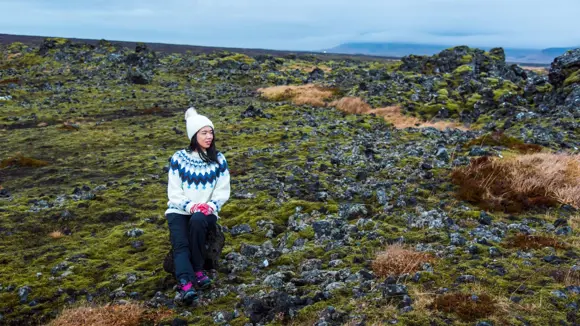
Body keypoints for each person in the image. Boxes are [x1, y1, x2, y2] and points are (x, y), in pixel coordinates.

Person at [164, 107, 230, 304]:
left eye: (211, 132)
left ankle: (199, 270)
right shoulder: (178, 159)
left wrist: (210, 205)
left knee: (199, 221)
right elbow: (174, 192)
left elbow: (222, 190)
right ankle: (186, 283)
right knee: (180, 243)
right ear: (194, 135)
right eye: (204, 133)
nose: (209, 136)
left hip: (206, 211)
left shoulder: (218, 159)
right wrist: (191, 206)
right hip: (179, 209)